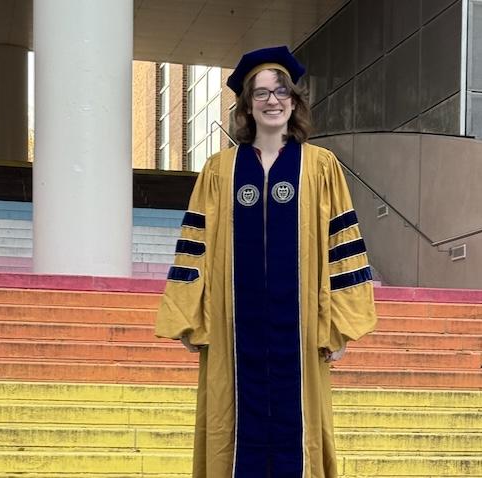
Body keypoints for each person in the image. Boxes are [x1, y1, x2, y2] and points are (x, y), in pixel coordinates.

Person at [155, 45, 377, 478]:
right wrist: (190, 315)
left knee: (301, 434)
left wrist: (340, 325)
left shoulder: (321, 168)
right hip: (232, 331)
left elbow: (342, 246)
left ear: (294, 102)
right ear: (247, 106)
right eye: (261, 94)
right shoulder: (219, 171)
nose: (272, 100)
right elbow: (193, 247)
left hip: (302, 330)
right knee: (231, 427)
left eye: (280, 92)